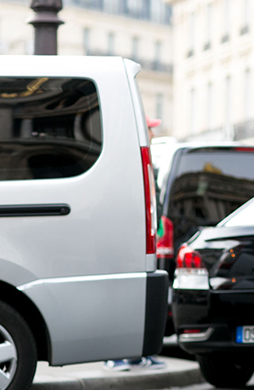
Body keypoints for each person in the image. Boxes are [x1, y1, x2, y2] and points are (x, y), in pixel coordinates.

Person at [104, 115, 167, 372]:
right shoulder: (124, 160)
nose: (152, 135)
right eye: (150, 130)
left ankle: (137, 353)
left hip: (142, 238)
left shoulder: (146, 161)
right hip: (123, 237)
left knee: (137, 296)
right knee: (117, 295)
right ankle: (113, 354)